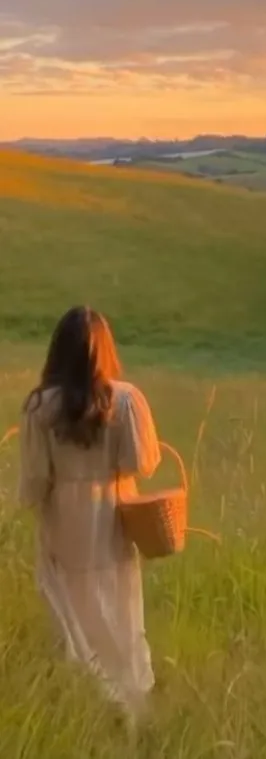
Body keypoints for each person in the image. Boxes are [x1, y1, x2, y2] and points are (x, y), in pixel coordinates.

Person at [18, 306, 161, 714]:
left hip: (63, 517)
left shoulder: (39, 406)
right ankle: (126, 698)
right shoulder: (126, 399)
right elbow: (142, 463)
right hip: (113, 514)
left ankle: (85, 695)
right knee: (117, 605)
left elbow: (34, 480)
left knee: (70, 605)